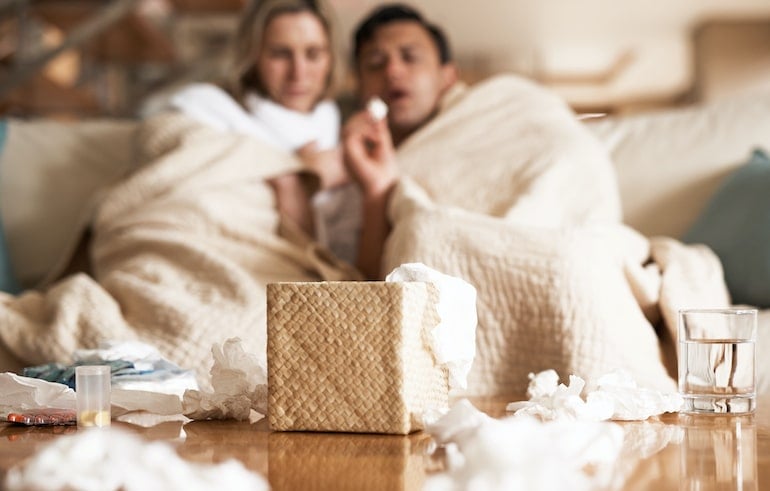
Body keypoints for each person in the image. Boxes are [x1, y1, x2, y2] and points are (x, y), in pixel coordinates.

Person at [162, 0, 360, 263]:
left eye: (313, 54)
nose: (298, 74)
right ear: (253, 56)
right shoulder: (206, 107)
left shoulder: (329, 121)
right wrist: (298, 170)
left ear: (330, 58)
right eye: (280, 54)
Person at [342, 4, 458, 279]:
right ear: (359, 86)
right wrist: (376, 191)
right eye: (375, 64)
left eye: (410, 57)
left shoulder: (485, 121)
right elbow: (360, 287)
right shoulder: (345, 170)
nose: (393, 71)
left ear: (447, 77)